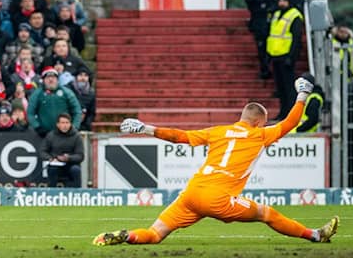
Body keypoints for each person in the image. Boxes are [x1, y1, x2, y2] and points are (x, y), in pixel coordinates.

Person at [94, 77, 339, 246]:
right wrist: (303, 94)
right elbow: (290, 122)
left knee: (155, 233)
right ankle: (315, 235)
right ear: (258, 122)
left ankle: (127, 236)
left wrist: (146, 128)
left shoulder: (217, 131)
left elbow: (180, 137)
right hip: (218, 198)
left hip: (191, 193)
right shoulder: (260, 134)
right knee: (267, 214)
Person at [266, 0, 304, 120]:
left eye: (284, 1)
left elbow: (296, 39)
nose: (281, 3)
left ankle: (291, 113)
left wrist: (291, 56)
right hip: (275, 55)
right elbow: (273, 35)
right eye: (280, 0)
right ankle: (283, 112)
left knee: (289, 87)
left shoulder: (295, 15)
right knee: (280, 87)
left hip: (286, 56)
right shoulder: (276, 14)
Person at [243, 0, 279, 79]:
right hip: (257, 18)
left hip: (271, 18)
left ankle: (271, 66)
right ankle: (264, 68)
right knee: (260, 45)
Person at [27, 67, 82, 137]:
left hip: (65, 134)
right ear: (43, 80)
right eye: (48, 77)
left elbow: (77, 111)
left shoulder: (67, 92)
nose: (51, 79)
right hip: (44, 135)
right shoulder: (37, 94)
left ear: (57, 79)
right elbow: (30, 113)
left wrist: (74, 127)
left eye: (53, 77)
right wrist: (37, 127)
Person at [40, 113, 84, 187]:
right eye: (63, 123)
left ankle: (77, 191)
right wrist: (50, 158)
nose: (65, 125)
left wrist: (68, 158)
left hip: (71, 164)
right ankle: (52, 191)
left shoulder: (77, 136)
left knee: (75, 170)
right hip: (55, 163)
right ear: (58, 124)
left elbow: (80, 155)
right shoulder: (51, 135)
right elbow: (42, 151)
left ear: (70, 124)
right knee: (52, 169)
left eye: (67, 123)